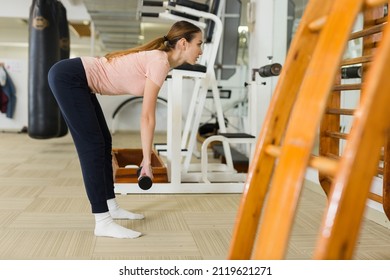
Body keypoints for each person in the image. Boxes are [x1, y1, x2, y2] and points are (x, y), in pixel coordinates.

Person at [48, 21, 203, 239]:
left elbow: (147, 114)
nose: (201, 50)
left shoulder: (161, 61)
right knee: (92, 147)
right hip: (70, 77)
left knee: (103, 142)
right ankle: (102, 221)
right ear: (184, 43)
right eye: (199, 43)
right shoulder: (159, 61)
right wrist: (146, 161)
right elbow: (147, 116)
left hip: (78, 79)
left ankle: (110, 205)